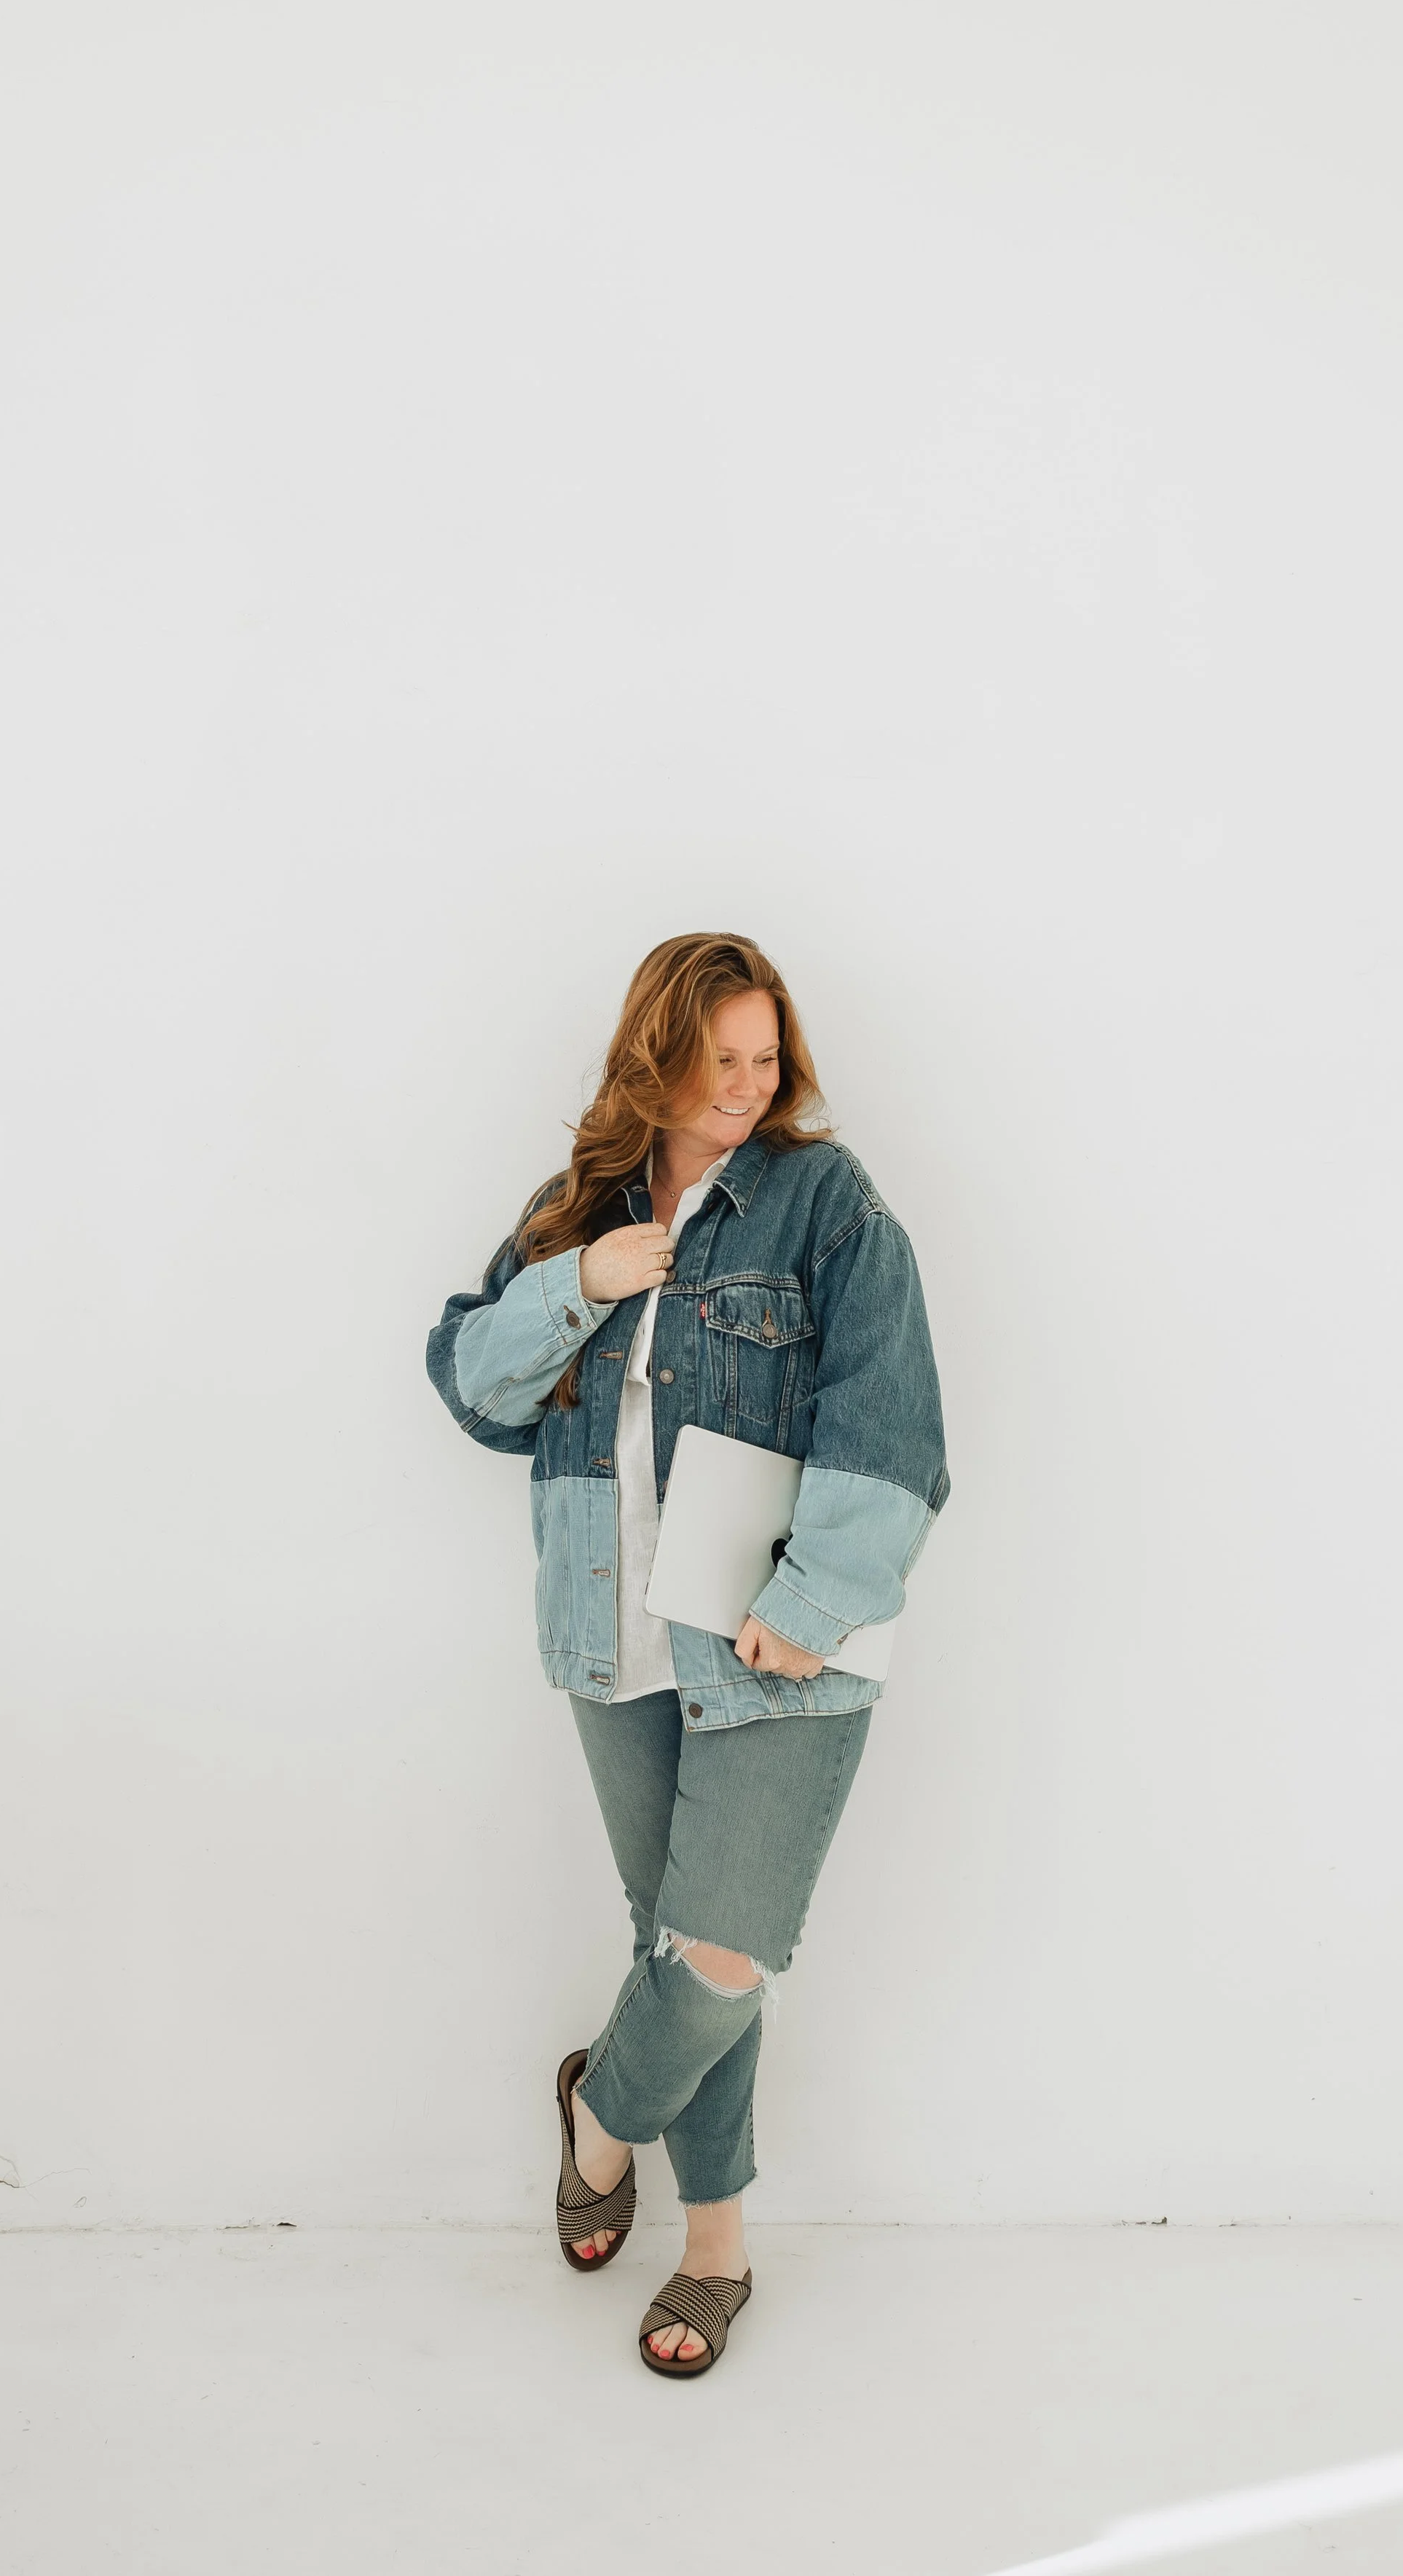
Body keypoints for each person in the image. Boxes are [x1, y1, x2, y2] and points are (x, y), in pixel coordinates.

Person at [426, 932, 948, 2376]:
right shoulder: (577, 1207)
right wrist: (578, 1277)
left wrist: (821, 1591)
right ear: (652, 1057)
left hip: (776, 1640)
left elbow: (890, 1411)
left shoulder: (823, 1201)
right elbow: (474, 1387)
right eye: (716, 1058)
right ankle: (715, 2250)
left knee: (718, 1953)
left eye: (763, 1058)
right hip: (611, 1630)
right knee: (675, 1942)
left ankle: (602, 2111)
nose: (744, 1083)